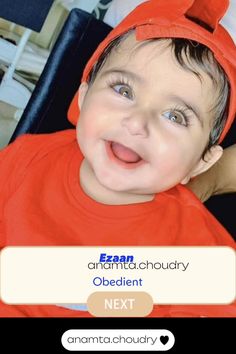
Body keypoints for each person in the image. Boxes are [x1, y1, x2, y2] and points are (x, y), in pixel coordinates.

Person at [0, 0, 236, 317]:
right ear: (82, 98)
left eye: (175, 116)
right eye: (123, 90)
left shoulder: (202, 253)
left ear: (201, 163)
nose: (137, 123)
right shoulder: (27, 157)